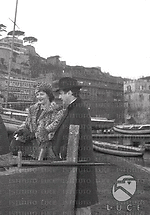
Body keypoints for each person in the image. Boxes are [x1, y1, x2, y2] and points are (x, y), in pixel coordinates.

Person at [52, 77, 98, 215]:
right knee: (77, 201)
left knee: (81, 204)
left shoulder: (78, 109)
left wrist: (63, 152)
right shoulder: (74, 108)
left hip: (79, 164)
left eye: (61, 93)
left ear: (70, 92)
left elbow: (76, 137)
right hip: (75, 163)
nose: (59, 97)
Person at [10, 82, 62, 160]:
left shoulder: (55, 111)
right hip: (29, 148)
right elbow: (27, 124)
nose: (39, 97)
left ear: (48, 95)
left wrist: (35, 135)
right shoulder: (32, 109)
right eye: (37, 94)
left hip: (44, 150)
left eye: (41, 94)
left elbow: (52, 132)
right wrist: (21, 130)